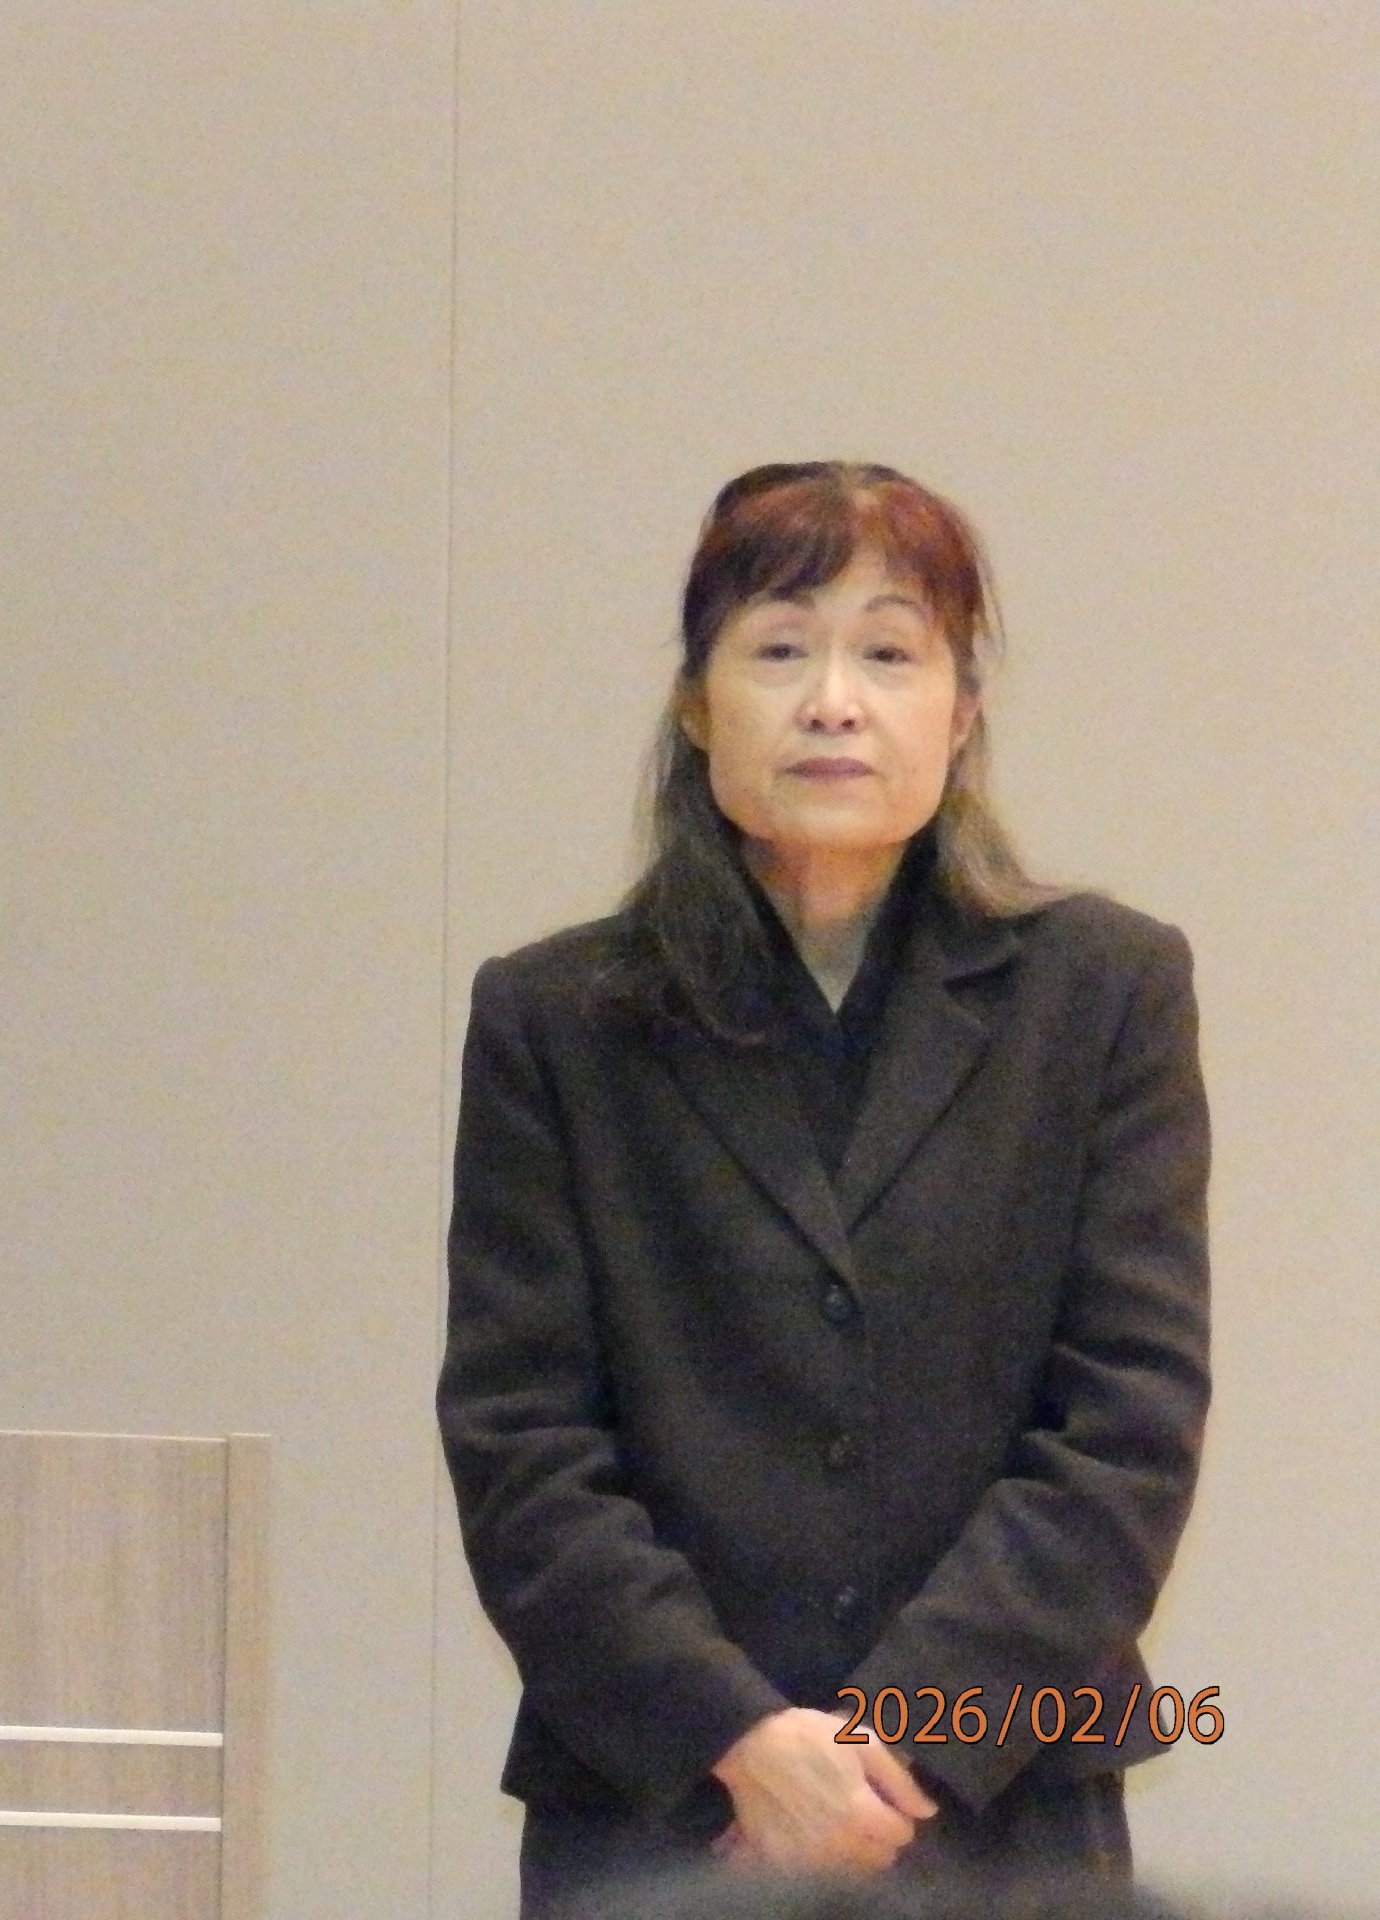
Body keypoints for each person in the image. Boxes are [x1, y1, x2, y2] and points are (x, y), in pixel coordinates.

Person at [439, 463, 1209, 1907]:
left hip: (999, 1808)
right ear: (695, 703)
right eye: (781, 648)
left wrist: (895, 1741)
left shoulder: (1104, 992)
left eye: (890, 653)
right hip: (665, 1809)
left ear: (962, 710)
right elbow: (521, 1439)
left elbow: (1128, 1423)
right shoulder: (557, 1020)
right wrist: (738, 1740)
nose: (834, 703)